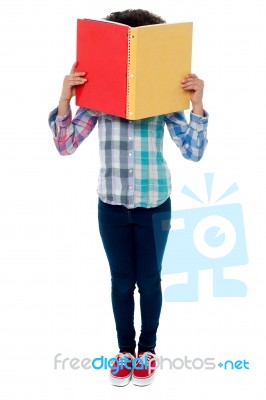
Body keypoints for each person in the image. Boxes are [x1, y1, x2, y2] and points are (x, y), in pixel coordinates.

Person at [48, 8, 208, 387]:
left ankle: (147, 350)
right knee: (121, 281)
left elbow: (194, 151)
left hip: (155, 204)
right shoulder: (99, 100)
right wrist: (65, 98)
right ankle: (124, 351)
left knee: (149, 280)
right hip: (112, 205)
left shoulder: (164, 99)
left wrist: (197, 103)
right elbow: (65, 145)